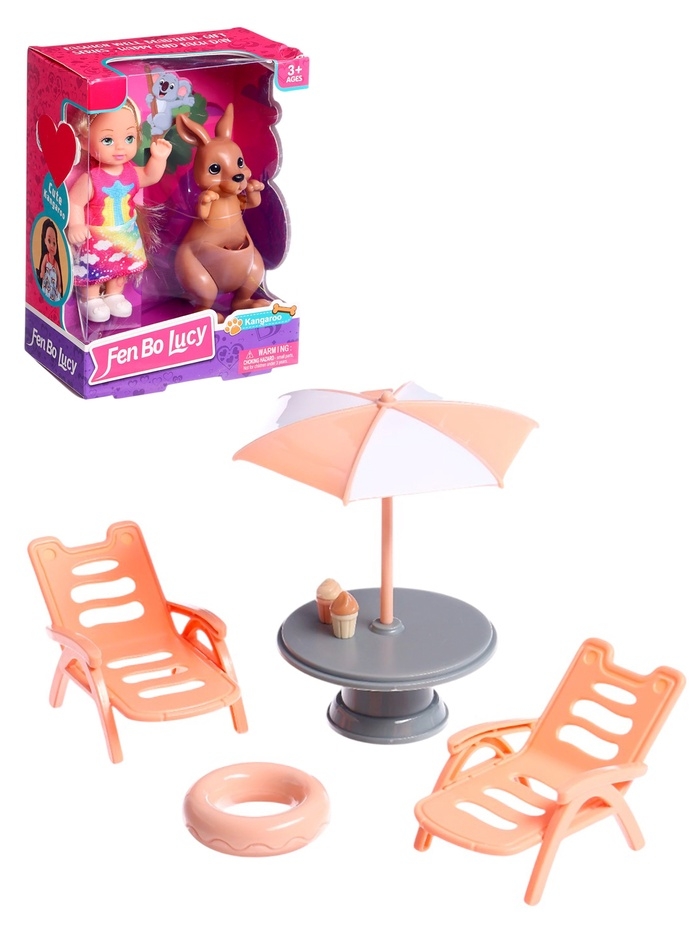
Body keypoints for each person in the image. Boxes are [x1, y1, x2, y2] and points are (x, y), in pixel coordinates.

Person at [67, 99, 172, 323]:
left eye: (129, 138)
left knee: (121, 266)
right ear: (85, 141)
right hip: (97, 234)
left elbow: (150, 176)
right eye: (107, 140)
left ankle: (114, 294)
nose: (120, 147)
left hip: (125, 232)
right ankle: (90, 298)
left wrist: (159, 158)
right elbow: (74, 202)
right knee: (94, 267)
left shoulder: (131, 172)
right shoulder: (92, 178)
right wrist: (75, 225)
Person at [38, 218, 63, 302]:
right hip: (47, 282)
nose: (52, 246)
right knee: (46, 293)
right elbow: (43, 266)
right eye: (49, 241)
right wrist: (42, 272)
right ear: (45, 241)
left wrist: (59, 286)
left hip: (53, 285)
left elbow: (59, 275)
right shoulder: (46, 257)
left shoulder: (55, 263)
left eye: (54, 243)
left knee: (54, 296)